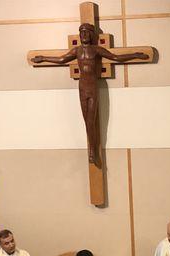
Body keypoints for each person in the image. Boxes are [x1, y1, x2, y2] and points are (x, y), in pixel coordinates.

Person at [31, 23, 148, 165]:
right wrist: (43, 57)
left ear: (92, 35)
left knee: (91, 120)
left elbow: (115, 57)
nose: (84, 35)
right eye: (82, 33)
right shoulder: (77, 50)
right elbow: (62, 59)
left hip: (93, 86)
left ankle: (93, 152)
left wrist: (134, 55)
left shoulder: (96, 50)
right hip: (82, 87)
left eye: (86, 33)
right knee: (86, 120)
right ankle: (92, 151)